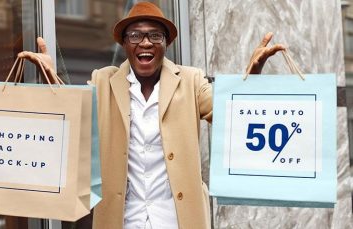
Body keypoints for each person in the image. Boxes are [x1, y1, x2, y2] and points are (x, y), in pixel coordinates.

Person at [19, 2, 285, 228]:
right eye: (134, 35)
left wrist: (252, 79)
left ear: (166, 43)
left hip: (177, 220)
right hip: (123, 219)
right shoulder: (103, 81)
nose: (144, 42)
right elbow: (74, 117)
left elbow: (229, 114)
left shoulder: (191, 80)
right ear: (124, 43)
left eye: (155, 36)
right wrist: (52, 78)